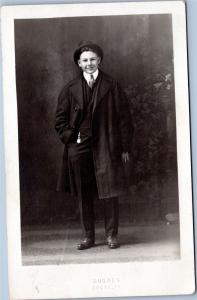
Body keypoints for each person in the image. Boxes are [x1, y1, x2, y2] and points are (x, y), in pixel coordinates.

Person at [55, 40, 133, 250]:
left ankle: (111, 236)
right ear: (79, 64)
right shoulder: (69, 89)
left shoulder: (112, 84)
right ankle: (88, 237)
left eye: (92, 59)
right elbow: (59, 121)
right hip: (79, 148)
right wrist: (73, 136)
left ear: (99, 60)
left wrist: (125, 146)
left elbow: (124, 117)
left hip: (106, 145)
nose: (89, 63)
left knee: (110, 191)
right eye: (85, 60)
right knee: (84, 193)